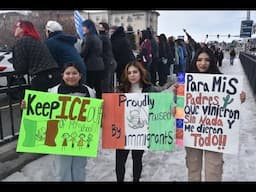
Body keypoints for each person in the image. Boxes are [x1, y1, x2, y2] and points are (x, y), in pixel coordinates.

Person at [185, 47, 246, 181]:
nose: (203, 63)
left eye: (207, 60)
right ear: (194, 61)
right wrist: (175, 100)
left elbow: (227, 105)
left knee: (214, 170)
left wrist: (238, 98)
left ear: (212, 62)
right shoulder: (185, 82)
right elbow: (178, 107)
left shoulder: (222, 81)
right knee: (193, 169)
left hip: (214, 135)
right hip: (192, 133)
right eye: (199, 60)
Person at [49, 63, 96, 181]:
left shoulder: (89, 91)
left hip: (81, 136)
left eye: (74, 73)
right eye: (68, 73)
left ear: (80, 75)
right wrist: (27, 106)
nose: (71, 76)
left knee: (79, 167)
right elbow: (44, 111)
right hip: (60, 137)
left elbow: (94, 113)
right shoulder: (54, 91)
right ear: (62, 75)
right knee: (62, 168)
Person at [115, 60, 158, 182]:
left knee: (137, 159)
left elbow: (160, 106)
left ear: (141, 73)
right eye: (129, 73)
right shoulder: (120, 89)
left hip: (141, 131)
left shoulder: (150, 89)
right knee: (119, 161)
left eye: (135, 72)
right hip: (123, 130)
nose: (132, 75)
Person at [12, 20, 60, 91]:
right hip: (54, 74)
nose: (15, 29)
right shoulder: (37, 40)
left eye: (17, 26)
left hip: (40, 78)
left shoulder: (21, 42)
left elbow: (20, 67)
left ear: (23, 29)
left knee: (40, 100)